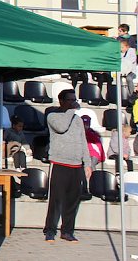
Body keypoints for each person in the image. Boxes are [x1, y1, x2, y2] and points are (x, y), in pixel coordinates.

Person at [43, 89, 92, 243]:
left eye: (74, 99)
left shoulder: (77, 119)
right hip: (60, 163)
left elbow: (83, 141)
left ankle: (67, 231)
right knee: (56, 200)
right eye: (70, 100)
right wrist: (71, 111)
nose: (73, 102)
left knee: (73, 201)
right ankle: (50, 231)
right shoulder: (53, 116)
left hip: (76, 165)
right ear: (62, 101)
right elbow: (62, 127)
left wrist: (87, 163)